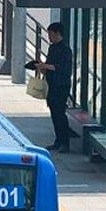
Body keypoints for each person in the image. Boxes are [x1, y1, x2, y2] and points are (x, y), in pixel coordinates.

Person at [31, 23, 74, 153]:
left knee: (60, 113)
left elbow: (63, 68)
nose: (49, 37)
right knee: (54, 113)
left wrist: (46, 66)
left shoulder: (66, 50)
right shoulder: (52, 48)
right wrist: (41, 67)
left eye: (50, 34)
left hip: (61, 85)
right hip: (51, 84)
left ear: (57, 33)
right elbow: (49, 64)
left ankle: (65, 143)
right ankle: (58, 140)